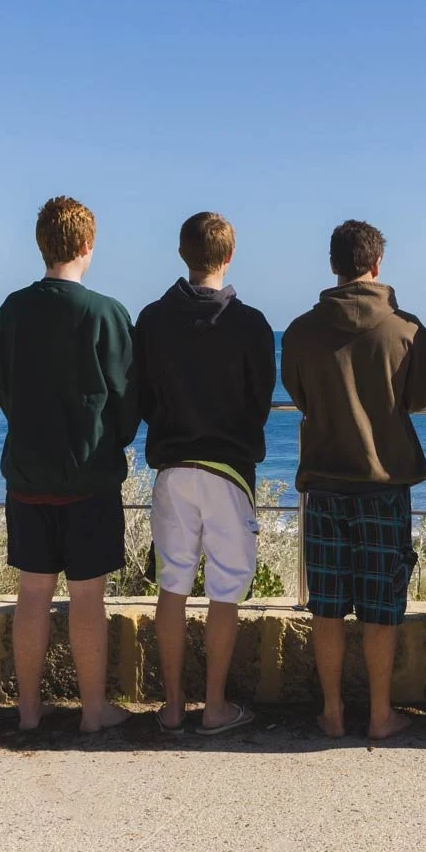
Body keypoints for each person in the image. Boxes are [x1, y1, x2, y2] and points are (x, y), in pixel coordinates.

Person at [280, 220, 426, 740]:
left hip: (323, 481)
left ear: (333, 265)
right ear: (377, 265)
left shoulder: (301, 331)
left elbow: (299, 395)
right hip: (384, 483)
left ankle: (330, 712)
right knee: (381, 605)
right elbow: (418, 400)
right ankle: (378, 714)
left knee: (326, 604)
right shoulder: (407, 330)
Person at [0, 196, 140, 733]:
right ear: (85, 246)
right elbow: (126, 398)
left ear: (42, 245)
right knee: (87, 596)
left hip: (28, 474)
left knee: (31, 593)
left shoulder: (10, 310)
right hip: (89, 477)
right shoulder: (106, 313)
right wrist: (109, 440)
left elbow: (2, 388)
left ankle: (29, 711)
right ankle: (93, 711)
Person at [134, 211, 275, 736]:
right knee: (224, 592)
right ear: (230, 256)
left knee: (171, 586)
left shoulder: (151, 318)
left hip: (173, 468)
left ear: (182, 253)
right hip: (228, 470)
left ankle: (171, 706)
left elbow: (143, 396)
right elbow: (259, 402)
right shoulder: (251, 323)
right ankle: (213, 707)